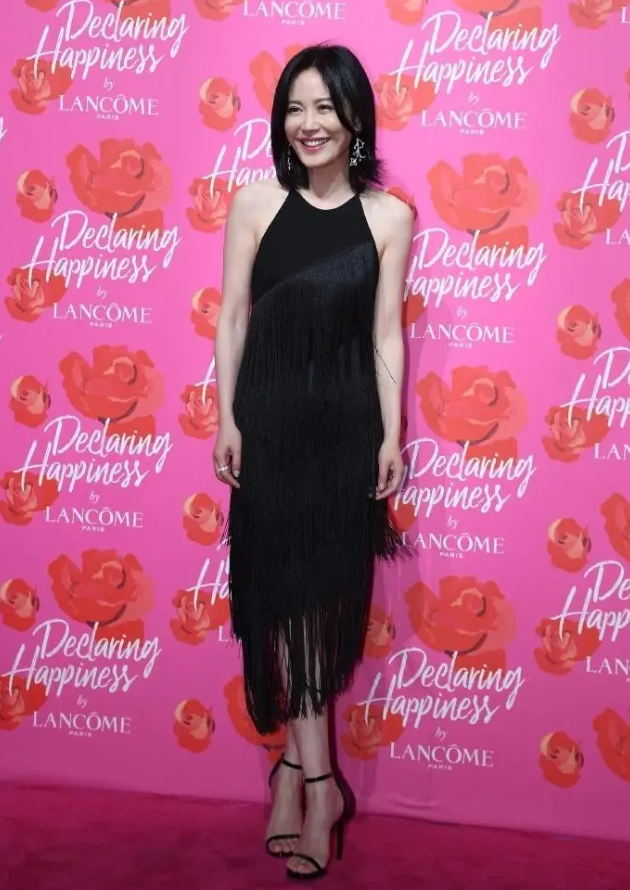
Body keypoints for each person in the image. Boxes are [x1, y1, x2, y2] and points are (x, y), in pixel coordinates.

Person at [213, 43, 414, 881]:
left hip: (342, 433)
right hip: (269, 430)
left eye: (325, 106)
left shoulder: (390, 218)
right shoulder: (254, 203)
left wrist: (391, 435)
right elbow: (232, 316)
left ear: (354, 116)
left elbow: (385, 334)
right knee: (284, 606)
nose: (309, 123)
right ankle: (316, 781)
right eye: (295, 108)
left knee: (317, 610)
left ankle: (301, 776)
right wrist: (226, 417)